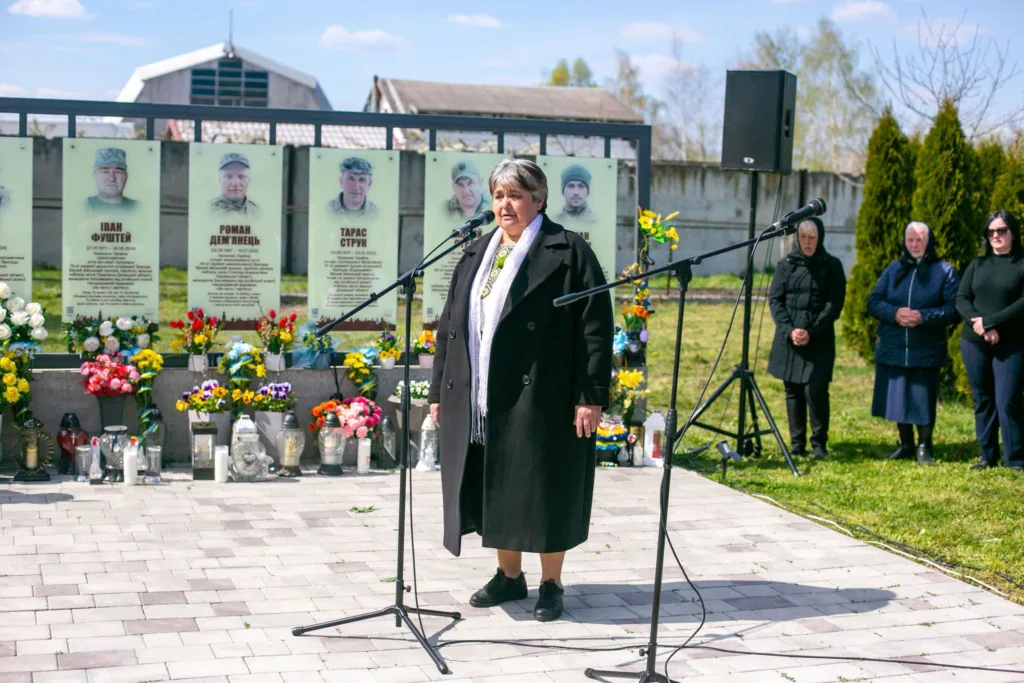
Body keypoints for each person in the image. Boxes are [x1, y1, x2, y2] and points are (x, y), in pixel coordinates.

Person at [429, 158, 613, 623]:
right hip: (483, 397)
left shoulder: (568, 252)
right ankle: (509, 576)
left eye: (514, 195)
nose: (504, 205)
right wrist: (438, 391)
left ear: (539, 199)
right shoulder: (475, 253)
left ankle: (551, 583)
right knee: (499, 483)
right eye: (498, 196)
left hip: (544, 394)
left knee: (546, 486)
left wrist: (590, 396)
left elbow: (595, 328)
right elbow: (450, 327)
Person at [868, 221, 960, 465]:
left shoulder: (944, 271)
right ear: (904, 242)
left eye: (920, 239)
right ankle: (906, 444)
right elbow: (874, 301)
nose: (915, 244)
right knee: (898, 397)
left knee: (922, 397)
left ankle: (924, 446)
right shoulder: (893, 269)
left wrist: (924, 317)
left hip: (926, 347)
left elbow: (953, 309)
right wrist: (895, 313)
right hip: (895, 345)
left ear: (929, 242)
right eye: (910, 240)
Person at [767, 217, 847, 458]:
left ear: (820, 238)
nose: (808, 242)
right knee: (792, 390)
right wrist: (789, 330)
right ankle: (797, 444)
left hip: (819, 338)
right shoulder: (786, 264)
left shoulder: (832, 265)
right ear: (797, 238)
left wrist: (811, 332)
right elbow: (775, 300)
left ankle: (819, 443)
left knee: (815, 390)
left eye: (812, 238)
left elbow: (834, 304)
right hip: (789, 337)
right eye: (803, 237)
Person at [956, 210, 1024, 472]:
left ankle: (1016, 459)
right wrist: (982, 325)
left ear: (1013, 233)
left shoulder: (1021, 264)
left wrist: (991, 322)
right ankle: (987, 456)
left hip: (1012, 344)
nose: (996, 235)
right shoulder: (977, 265)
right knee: (983, 399)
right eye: (991, 231)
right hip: (974, 342)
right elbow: (961, 299)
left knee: (1007, 401)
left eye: (1002, 230)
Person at [86, 148, 139, 212]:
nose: (112, 178)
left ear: (126, 175)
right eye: (105, 172)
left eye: (118, 172)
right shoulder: (83, 207)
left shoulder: (138, 208)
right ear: (94, 175)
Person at [211, 152, 260, 217]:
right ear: (220, 179)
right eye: (229, 176)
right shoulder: (209, 210)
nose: (235, 183)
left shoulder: (257, 211)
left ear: (249, 180)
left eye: (241, 176)